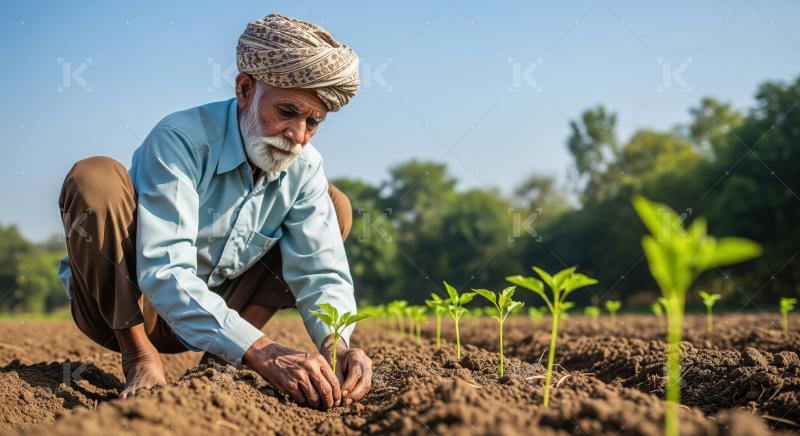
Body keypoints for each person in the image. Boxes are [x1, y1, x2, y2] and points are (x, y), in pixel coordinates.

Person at [57, 13, 371, 410]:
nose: (297, 135)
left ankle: (220, 358)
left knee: (335, 206)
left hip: (222, 306)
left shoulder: (305, 165)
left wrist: (339, 346)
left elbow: (321, 271)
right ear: (244, 88)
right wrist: (264, 352)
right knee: (95, 178)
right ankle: (137, 355)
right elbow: (164, 270)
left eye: (313, 122)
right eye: (287, 111)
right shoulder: (181, 140)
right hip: (129, 303)